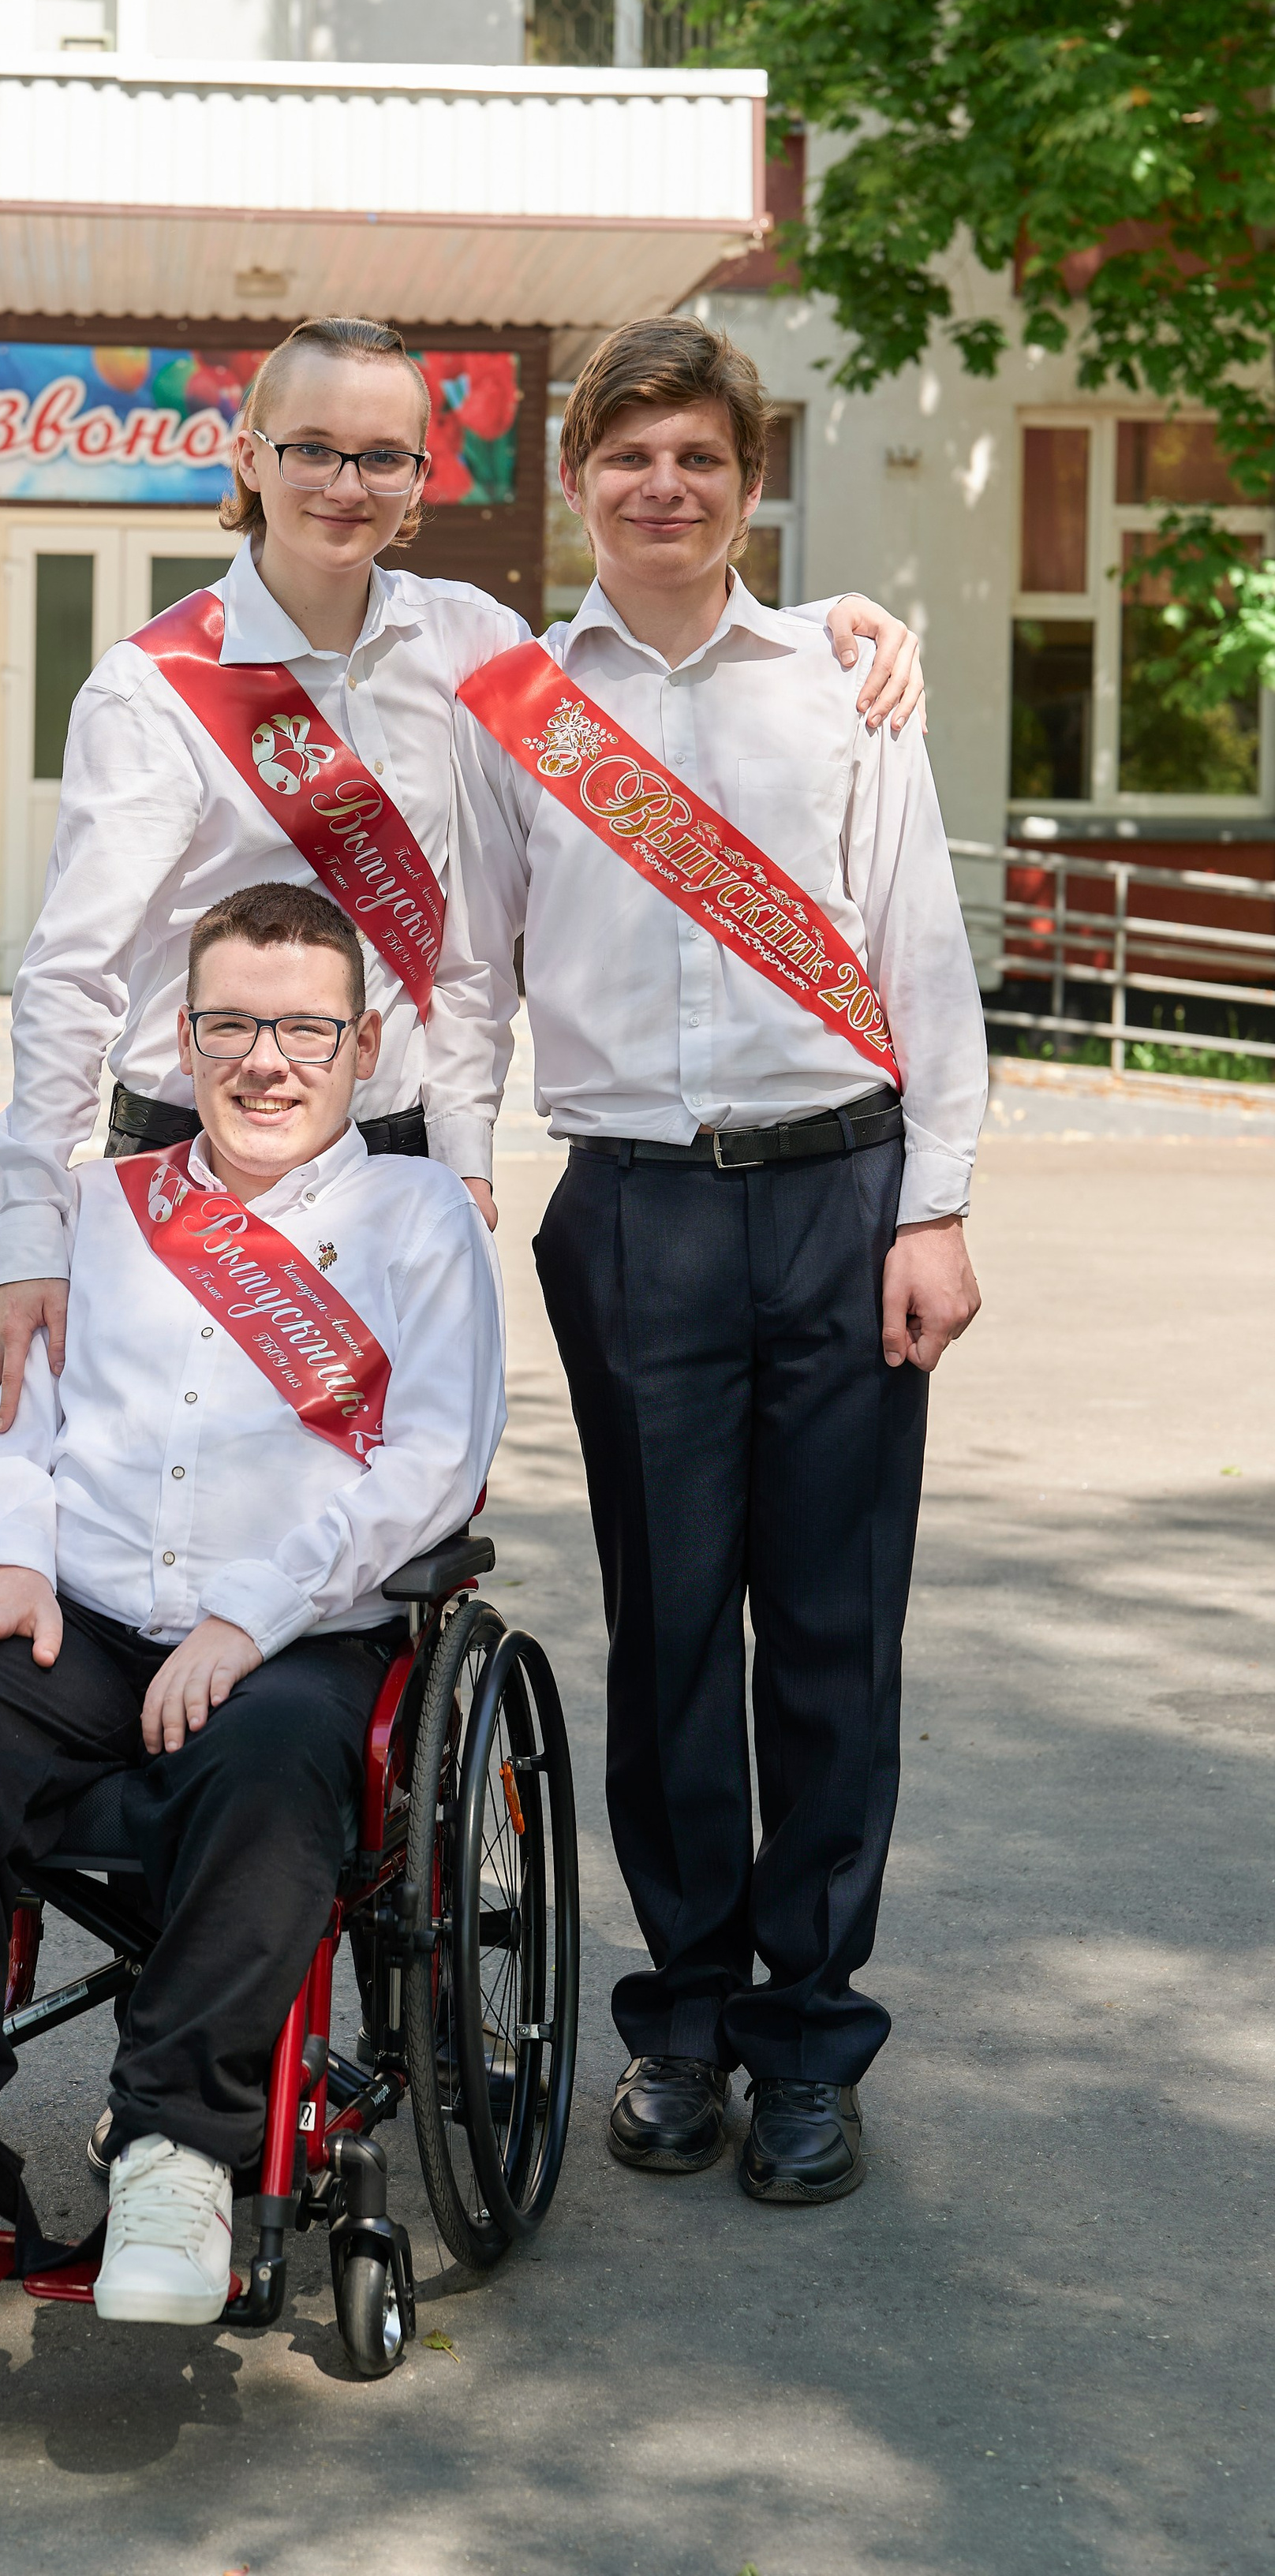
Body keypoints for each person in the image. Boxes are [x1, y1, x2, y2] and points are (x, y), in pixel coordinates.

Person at [0, 312, 929, 1445]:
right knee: (172, 1502)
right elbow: (68, 978)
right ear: (250, 456)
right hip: (195, 1157)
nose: (345, 484)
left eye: (384, 457)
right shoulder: (153, 691)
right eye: (312, 449)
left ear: (420, 477)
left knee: (370, 1521)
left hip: (387, 1165)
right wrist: (29, 1237)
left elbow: (644, 658)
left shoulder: (471, 643)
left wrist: (825, 629)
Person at [0, 880, 505, 2324]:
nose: (265, 1059)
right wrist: (3, 1557)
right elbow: (9, 1433)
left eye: (303, 1027)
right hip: (88, 1621)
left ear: (363, 1049)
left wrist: (251, 1616)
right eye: (230, 1024)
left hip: (300, 1629)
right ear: (184, 1040)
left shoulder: (421, 1220)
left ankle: (181, 2144)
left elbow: (436, 1464)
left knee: (277, 1758)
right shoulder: (102, 1212)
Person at [430, 315, 986, 2206]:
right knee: (669, 1633)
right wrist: (445, 1183)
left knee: (828, 1637)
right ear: (575, 480)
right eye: (625, 457)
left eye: (698, 459)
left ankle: (809, 2037)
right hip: (634, 1212)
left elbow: (919, 953)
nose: (660, 488)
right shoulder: (514, 703)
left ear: (750, 485)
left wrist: (935, 1207)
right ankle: (677, 2024)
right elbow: (466, 969)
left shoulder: (841, 686)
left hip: (839, 1203)